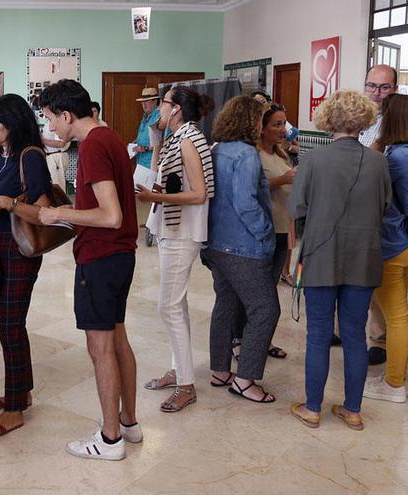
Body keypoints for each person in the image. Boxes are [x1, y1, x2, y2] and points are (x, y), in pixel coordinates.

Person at [38, 79, 141, 461]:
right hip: (119, 257)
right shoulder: (109, 137)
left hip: (100, 258)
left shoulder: (94, 145)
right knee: (117, 341)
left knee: (100, 350)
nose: (51, 128)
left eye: (51, 120)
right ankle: (128, 424)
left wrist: (60, 213)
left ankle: (110, 439)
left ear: (67, 115)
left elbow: (110, 215)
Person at [288, 90, 391, 431]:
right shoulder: (379, 162)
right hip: (364, 257)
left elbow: (297, 208)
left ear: (328, 119)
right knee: (355, 335)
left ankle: (313, 408)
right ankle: (353, 410)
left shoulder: (314, 160)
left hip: (319, 256)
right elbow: (385, 206)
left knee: (318, 335)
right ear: (363, 120)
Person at [0, 94, 52, 436]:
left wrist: (6, 202)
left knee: (10, 324)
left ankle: (15, 408)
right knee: (9, 322)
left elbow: (44, 210)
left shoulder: (30, 157)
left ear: (12, 123)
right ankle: (20, 391)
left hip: (19, 247)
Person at [136, 86, 214, 413]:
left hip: (183, 232)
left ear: (178, 108)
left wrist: (157, 199)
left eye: (164, 104)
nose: (159, 111)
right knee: (175, 305)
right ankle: (178, 370)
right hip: (173, 228)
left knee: (167, 307)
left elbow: (198, 194)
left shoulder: (188, 139)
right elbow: (174, 181)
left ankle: (186, 385)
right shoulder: (177, 135)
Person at [205, 95, 279, 404]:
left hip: (216, 244)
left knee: (226, 302)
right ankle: (245, 379)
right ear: (252, 122)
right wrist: (265, 233)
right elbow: (246, 203)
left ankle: (221, 370)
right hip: (243, 247)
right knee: (265, 309)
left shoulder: (217, 149)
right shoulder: (247, 155)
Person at [363, 94, 408, 404]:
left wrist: (377, 145)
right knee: (399, 313)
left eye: (383, 117)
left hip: (391, 242)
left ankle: (394, 385)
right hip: (405, 241)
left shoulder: (396, 157)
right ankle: (396, 376)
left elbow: (365, 177)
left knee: (396, 315)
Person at [231, 103, 295, 362]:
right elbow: (251, 190)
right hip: (262, 232)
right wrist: (284, 180)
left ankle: (262, 339)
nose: (283, 130)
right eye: (276, 124)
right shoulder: (253, 156)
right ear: (262, 128)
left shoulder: (281, 155)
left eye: (284, 123)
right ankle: (239, 339)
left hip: (283, 230)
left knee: (269, 291)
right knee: (254, 292)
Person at [359, 63, 398, 365]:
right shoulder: (359, 116)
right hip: (354, 204)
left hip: (380, 209)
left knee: (376, 277)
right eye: (372, 85)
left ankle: (380, 338)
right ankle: (344, 330)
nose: (377, 93)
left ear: (394, 90)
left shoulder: (396, 122)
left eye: (384, 87)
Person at [132, 87, 161, 170]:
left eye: (146, 101)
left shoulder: (159, 117)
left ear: (155, 101)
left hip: (151, 164)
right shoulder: (145, 117)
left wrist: (144, 148)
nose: (143, 104)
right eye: (142, 102)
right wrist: (134, 143)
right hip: (140, 163)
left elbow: (162, 142)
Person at [40, 115, 70, 191]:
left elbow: (61, 143)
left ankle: (60, 203)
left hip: (57, 156)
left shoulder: (58, 120)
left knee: (58, 187)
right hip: (50, 156)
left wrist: (42, 140)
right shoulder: (49, 121)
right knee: (51, 186)